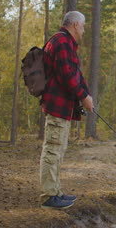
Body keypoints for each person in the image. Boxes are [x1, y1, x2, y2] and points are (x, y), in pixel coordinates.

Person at [39, 11, 93, 210]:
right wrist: (83, 96)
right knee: (52, 150)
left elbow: (76, 75)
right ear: (76, 24)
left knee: (58, 150)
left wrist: (87, 95)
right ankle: (48, 196)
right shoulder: (61, 41)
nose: (84, 30)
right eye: (84, 26)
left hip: (63, 108)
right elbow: (67, 76)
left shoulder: (66, 43)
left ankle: (56, 192)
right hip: (57, 106)